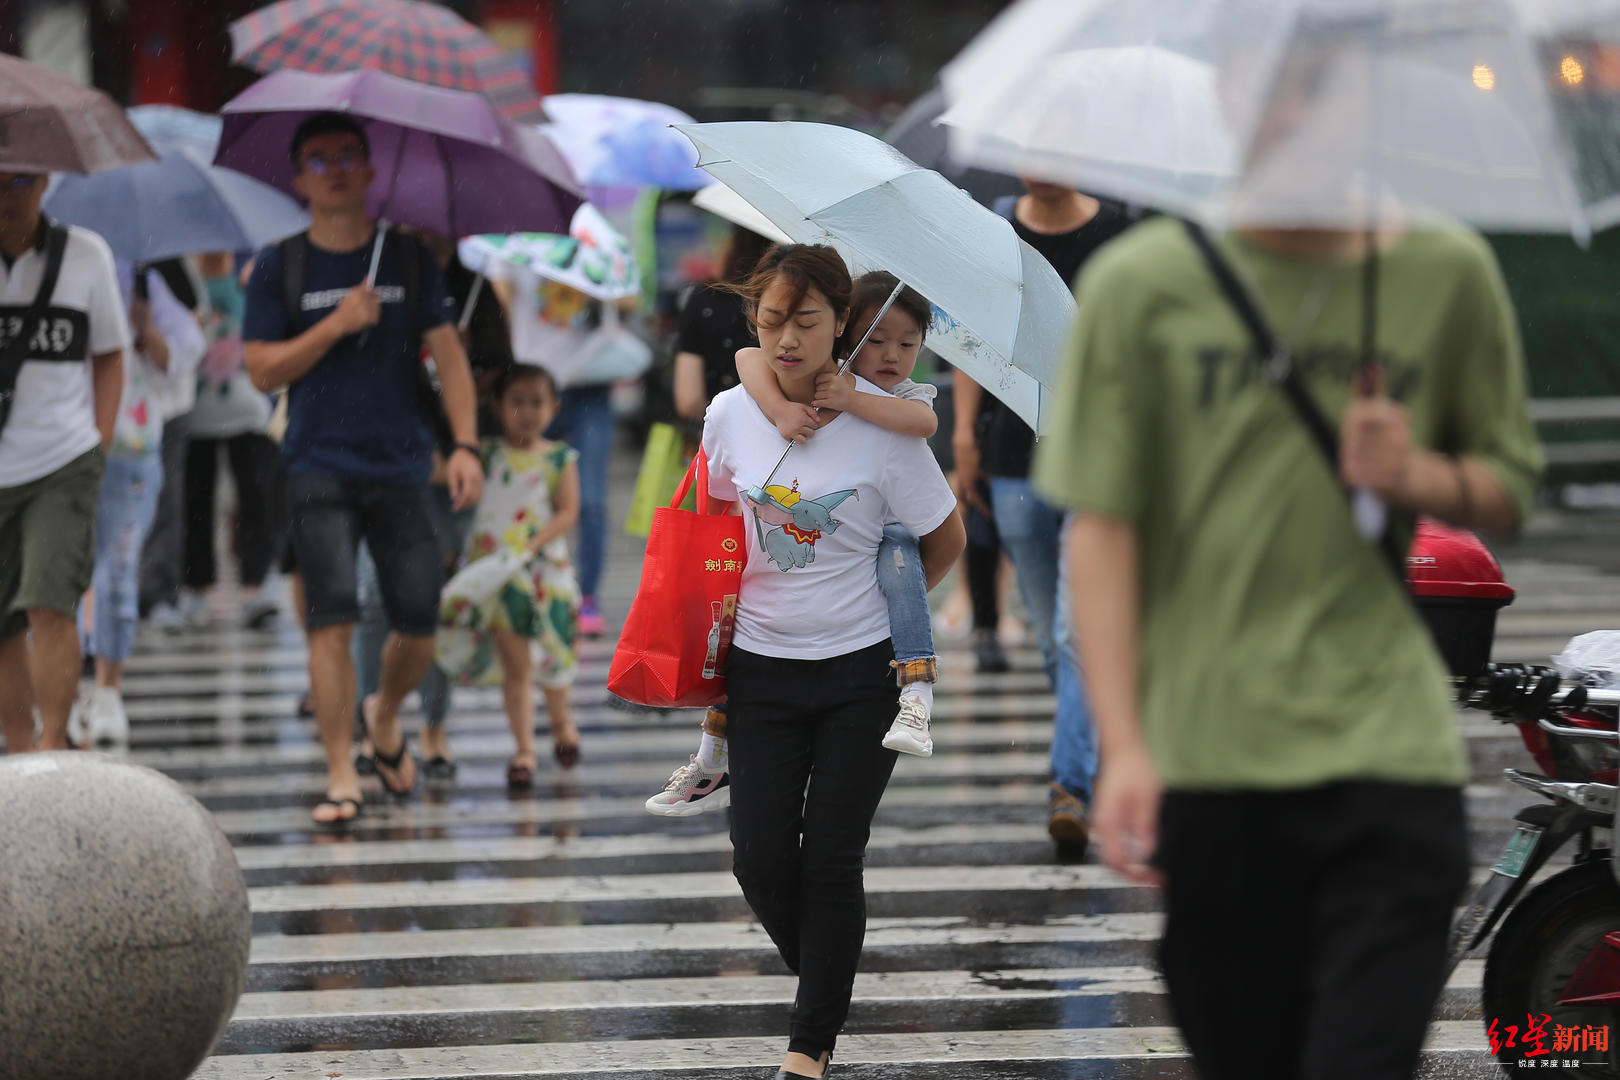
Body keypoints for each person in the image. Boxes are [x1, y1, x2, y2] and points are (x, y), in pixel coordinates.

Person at [1039, 112, 1543, 1080]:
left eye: (1324, 74)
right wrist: (1125, 744)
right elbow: (1102, 527)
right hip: (1215, 761)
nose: (1294, 106)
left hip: (1390, 755)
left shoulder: (1445, 269)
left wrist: (1416, 475)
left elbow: (1509, 484)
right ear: (1226, 93)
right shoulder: (1142, 284)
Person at [690, 244, 963, 1077]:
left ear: (841, 323)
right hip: (761, 670)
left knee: (832, 856)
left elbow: (945, 538)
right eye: (771, 319)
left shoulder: (884, 429)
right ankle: (827, 981)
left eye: (806, 322)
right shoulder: (732, 413)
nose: (785, 338)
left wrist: (885, 611)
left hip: (860, 674)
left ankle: (809, 1047)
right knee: (759, 859)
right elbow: (713, 524)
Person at [242, 112, 483, 826]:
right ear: (299, 178)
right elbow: (261, 370)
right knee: (331, 623)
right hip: (316, 465)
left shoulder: (407, 258)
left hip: (403, 466)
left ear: (372, 171)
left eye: (349, 155)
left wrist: (465, 445)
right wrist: (336, 324)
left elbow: (450, 356)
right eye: (319, 160)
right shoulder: (279, 264)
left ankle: (384, 712)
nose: (336, 169)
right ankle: (342, 772)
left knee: (419, 620)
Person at [647, 270, 945, 816]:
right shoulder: (750, 402)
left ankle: (917, 685)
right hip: (764, 639)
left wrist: (853, 401)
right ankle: (711, 757)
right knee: (735, 648)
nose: (890, 355)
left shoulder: (892, 400)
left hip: (880, 556)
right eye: (877, 339)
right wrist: (783, 410)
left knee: (901, 562)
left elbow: (923, 423)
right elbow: (746, 357)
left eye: (908, 345)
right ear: (847, 333)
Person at [953, 178, 1131, 857]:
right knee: (1054, 639)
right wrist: (964, 433)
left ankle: (1070, 785)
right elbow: (975, 337)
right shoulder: (998, 233)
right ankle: (1095, 744)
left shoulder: (1119, 232)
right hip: (1014, 457)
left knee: (1073, 630)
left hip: (1098, 457)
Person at [351, 232, 515, 780]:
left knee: (435, 597)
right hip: (387, 460)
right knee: (374, 598)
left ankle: (434, 725)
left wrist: (462, 363)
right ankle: (374, 718)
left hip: (454, 468)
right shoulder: (379, 280)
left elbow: (502, 371)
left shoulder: (473, 288)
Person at [0, 173, 129, 753]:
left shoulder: (85, 255)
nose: (7, 195)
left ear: (45, 181)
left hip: (62, 458)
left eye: (19, 181)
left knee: (49, 603)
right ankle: (19, 756)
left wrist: (98, 444)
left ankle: (54, 750)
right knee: (2, 624)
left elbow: (110, 356)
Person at [74, 264, 207, 744]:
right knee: (66, 573)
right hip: (66, 449)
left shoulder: (149, 280)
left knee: (117, 570)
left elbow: (184, 355)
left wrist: (144, 327)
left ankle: (108, 690)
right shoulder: (64, 265)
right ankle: (68, 691)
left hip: (131, 450)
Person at [437, 363, 583, 787]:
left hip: (547, 577)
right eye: (517, 402)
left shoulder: (559, 458)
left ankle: (561, 724)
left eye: (537, 402)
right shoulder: (484, 455)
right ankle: (524, 750)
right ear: (497, 406)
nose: (527, 412)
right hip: (500, 579)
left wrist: (533, 545)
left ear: (554, 408)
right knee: (517, 667)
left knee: (555, 656)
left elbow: (567, 512)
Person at [182, 251, 287, 629]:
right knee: (195, 502)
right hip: (195, 411)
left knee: (257, 497)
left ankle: (256, 587)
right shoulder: (182, 278)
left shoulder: (252, 274)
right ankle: (196, 588)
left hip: (252, 409)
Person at [138, 255, 205, 630]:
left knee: (165, 499)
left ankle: (159, 593)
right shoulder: (101, 263)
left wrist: (148, 329)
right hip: (117, 408)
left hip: (168, 406)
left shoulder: (170, 265)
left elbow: (193, 331)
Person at [672, 224, 772, 429]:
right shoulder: (788, 305)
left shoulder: (705, 297)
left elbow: (689, 400)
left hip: (716, 431)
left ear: (732, 243)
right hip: (779, 433)